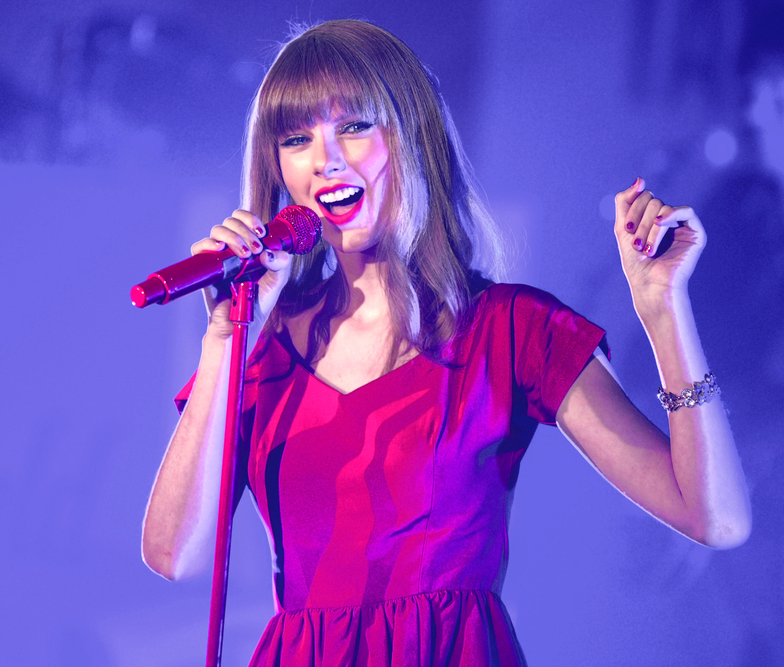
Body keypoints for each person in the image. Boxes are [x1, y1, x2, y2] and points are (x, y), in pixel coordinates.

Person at [141, 19, 751, 666]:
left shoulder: (511, 329)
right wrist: (220, 337)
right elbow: (172, 554)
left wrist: (663, 311)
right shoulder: (261, 355)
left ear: (411, 136)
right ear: (278, 169)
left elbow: (713, 517)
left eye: (354, 125)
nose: (327, 159)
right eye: (297, 138)